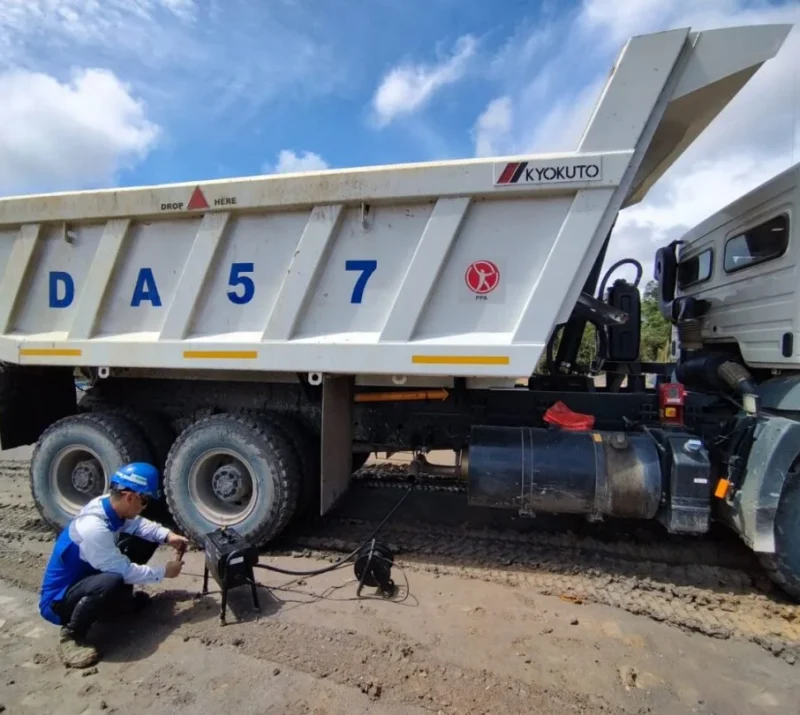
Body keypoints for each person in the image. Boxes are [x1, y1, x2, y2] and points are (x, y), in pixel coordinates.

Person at [38, 462, 190, 668]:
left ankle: (116, 605)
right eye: (144, 502)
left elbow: (137, 525)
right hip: (58, 602)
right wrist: (164, 572)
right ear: (130, 497)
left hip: (87, 577)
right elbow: (122, 571)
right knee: (112, 580)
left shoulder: (108, 506)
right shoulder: (93, 527)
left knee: (144, 539)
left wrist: (167, 536)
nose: (144, 507)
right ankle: (72, 635)